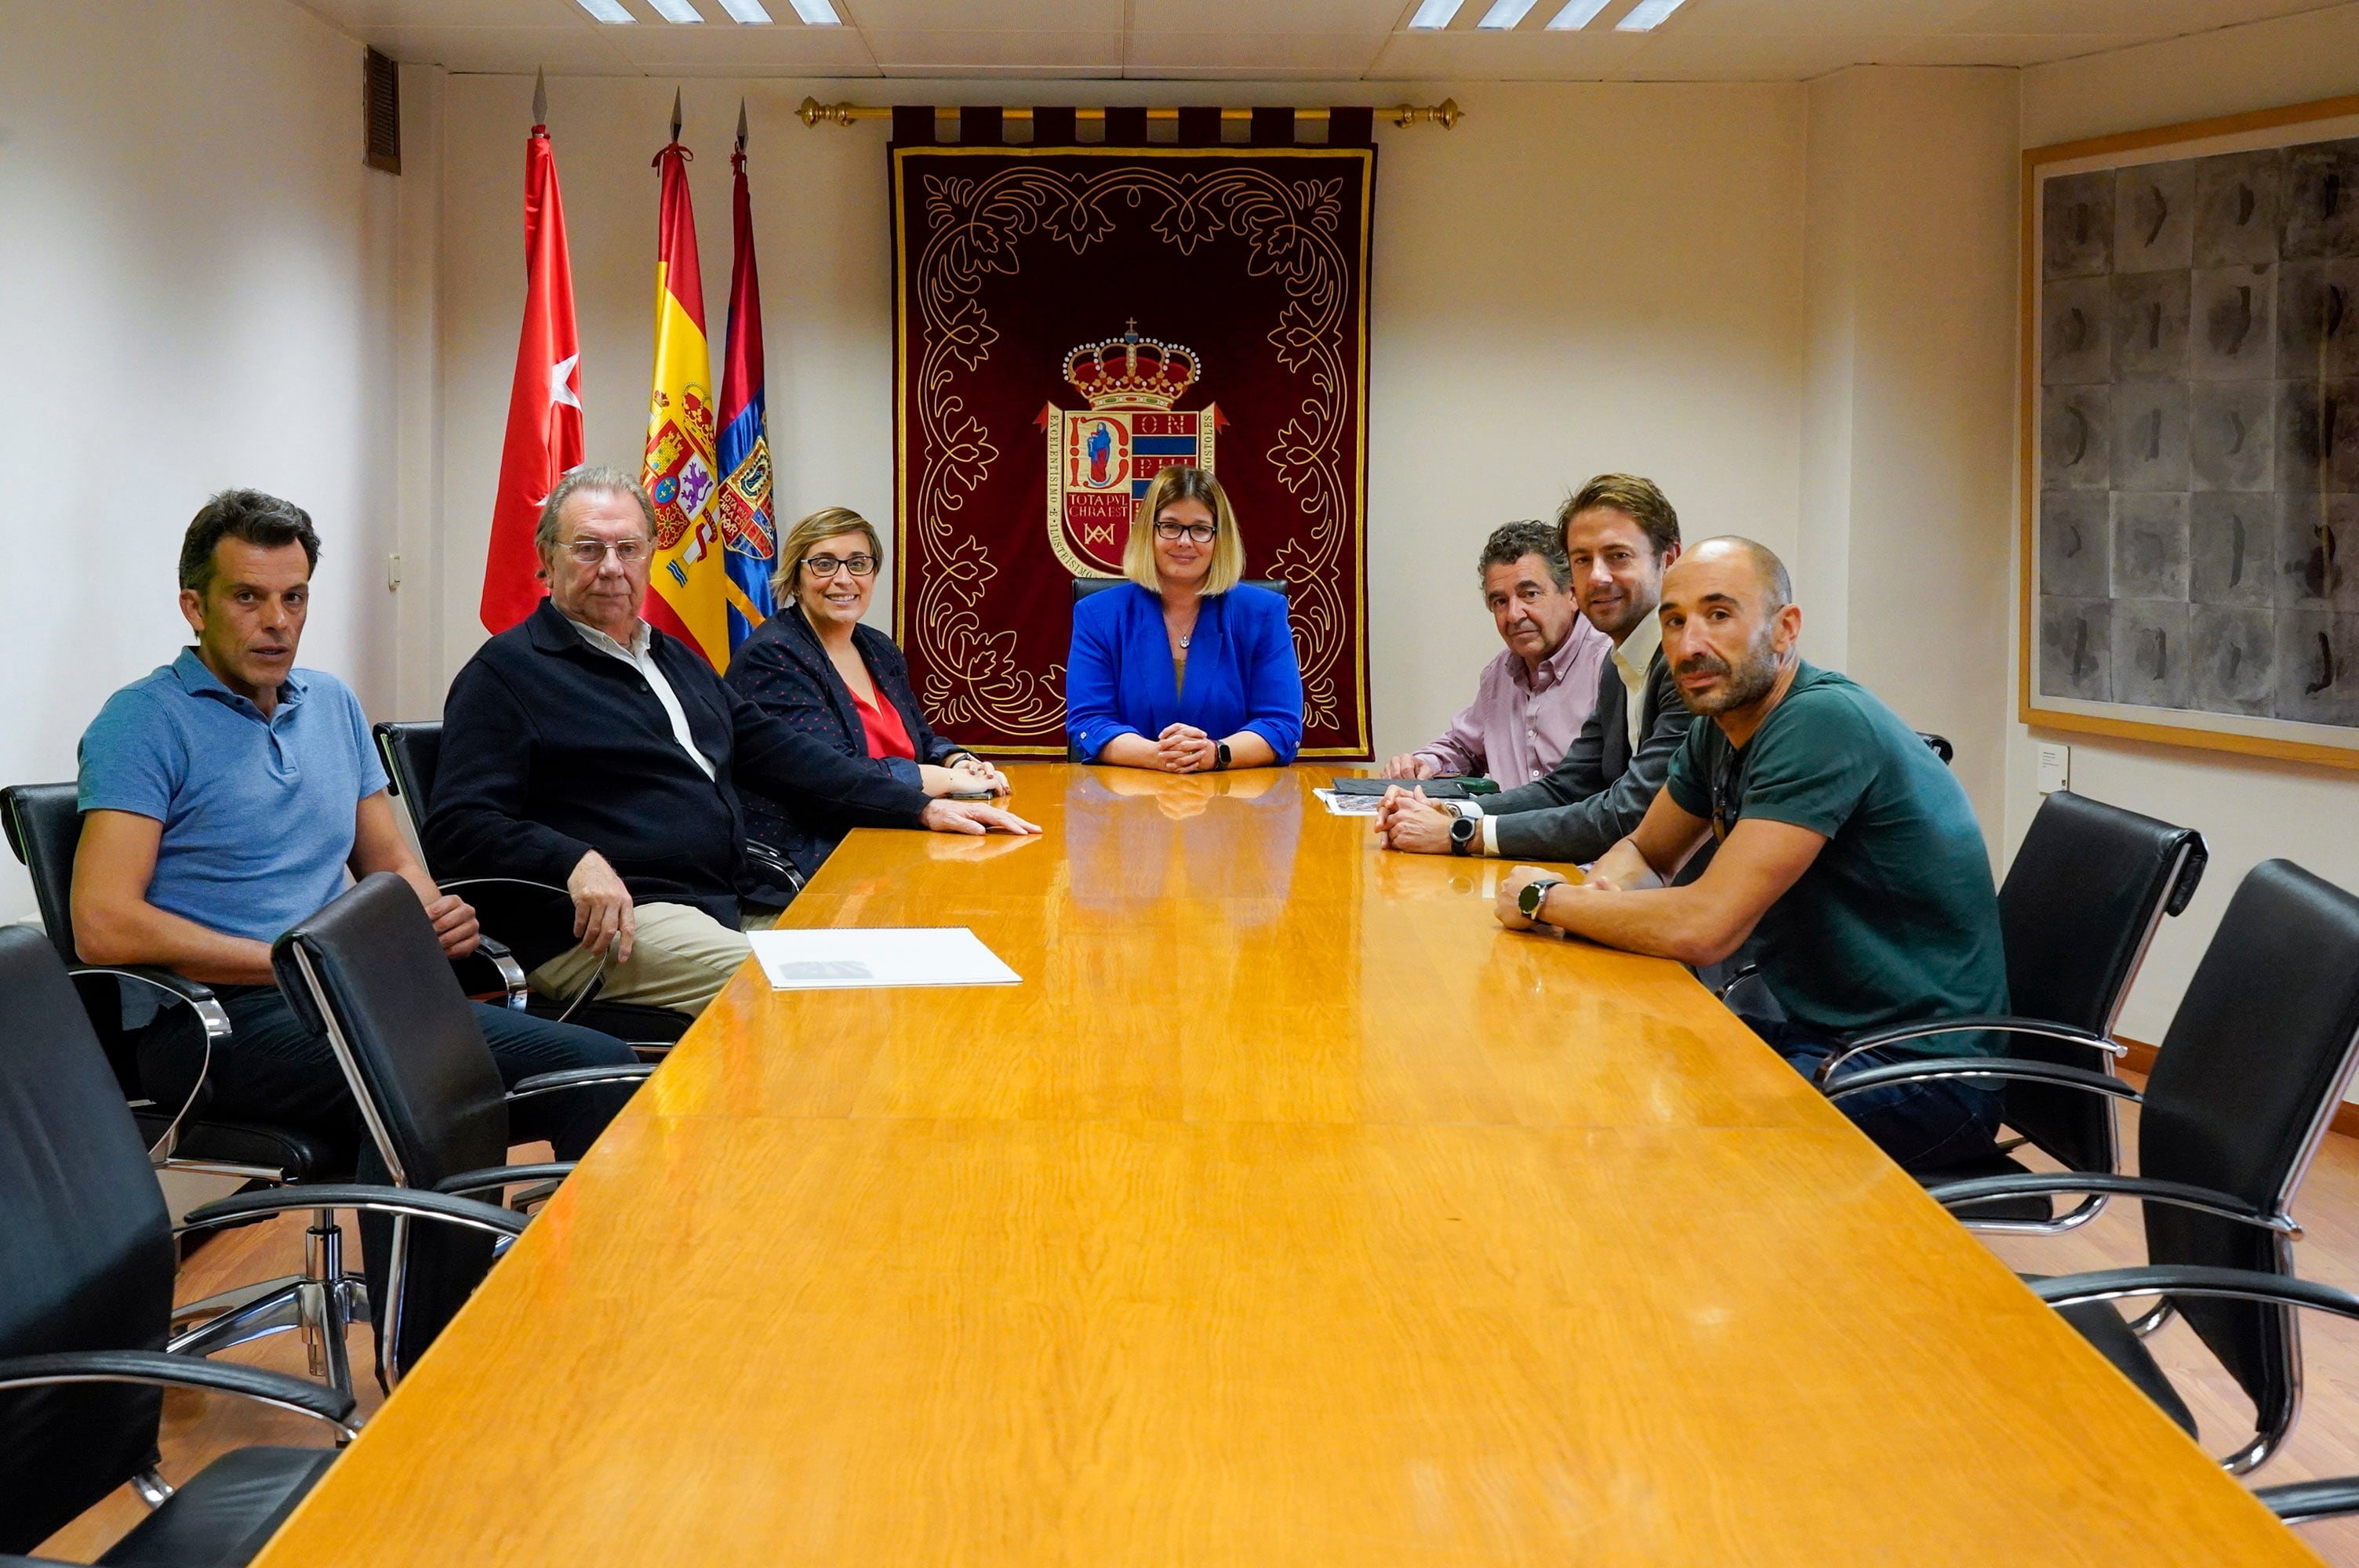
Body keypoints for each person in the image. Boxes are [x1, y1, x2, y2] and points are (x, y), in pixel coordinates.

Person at [73, 489, 637, 1167]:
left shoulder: (331, 703)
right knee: (430, 1083)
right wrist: (294, 964)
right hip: (214, 1023)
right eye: (248, 598)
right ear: (195, 607)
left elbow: (390, 860)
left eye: (295, 598)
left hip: (348, 997)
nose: (277, 622)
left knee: (603, 1069)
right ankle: (426, 1276)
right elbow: (102, 922)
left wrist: (428, 914)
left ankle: (585, 1270)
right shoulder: (143, 721)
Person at [425, 468, 1038, 1017]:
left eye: (628, 549)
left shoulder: (669, 658)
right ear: (546, 558)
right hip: (611, 921)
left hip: (724, 894)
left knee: (904, 958)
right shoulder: (505, 674)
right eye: (588, 548)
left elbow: (785, 755)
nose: (611, 567)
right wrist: (572, 860)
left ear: (649, 556)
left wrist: (920, 806)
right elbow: (458, 824)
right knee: (815, 993)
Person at [1493, 538, 2008, 1173]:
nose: (1689, 644)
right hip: (1818, 1033)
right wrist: (1600, 898)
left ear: (1784, 628)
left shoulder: (1819, 721)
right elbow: (1645, 850)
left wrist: (1547, 900)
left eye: (1719, 614)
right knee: (1614, 1088)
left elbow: (1706, 927)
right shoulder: (1719, 725)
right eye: (1675, 622)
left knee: (1679, 1154)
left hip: (1922, 1073)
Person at [1377, 474, 1692, 862]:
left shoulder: (1687, 665)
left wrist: (1464, 833)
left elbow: (1629, 812)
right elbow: (1569, 786)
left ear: (1669, 560)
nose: (1597, 576)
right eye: (1582, 560)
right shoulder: (1620, 664)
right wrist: (1455, 812)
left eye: (1618, 556)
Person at [725, 506, 1011, 887]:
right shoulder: (773, 656)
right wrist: (948, 780)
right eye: (824, 564)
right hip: (815, 859)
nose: (843, 579)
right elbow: (831, 777)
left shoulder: (877, 646)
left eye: (858, 563)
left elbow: (921, 738)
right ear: (795, 577)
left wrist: (961, 761)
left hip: (893, 835)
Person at [1066, 465, 1303, 772]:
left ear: (1221, 538)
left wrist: (1214, 754)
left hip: (1235, 804)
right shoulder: (1098, 615)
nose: (1184, 542)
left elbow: (1281, 724)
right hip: (1124, 804)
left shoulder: (1262, 613)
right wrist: (1160, 756)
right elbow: (1090, 721)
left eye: (1201, 529)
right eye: (1171, 526)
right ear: (1148, 533)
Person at [1379, 519, 1610, 788]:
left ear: (1572, 595)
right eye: (1500, 601)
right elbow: (1465, 748)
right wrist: (1424, 764)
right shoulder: (1501, 673)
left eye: (1530, 594)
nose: (1513, 614)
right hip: (1502, 828)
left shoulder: (1608, 665)